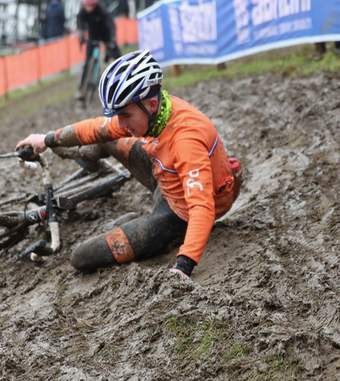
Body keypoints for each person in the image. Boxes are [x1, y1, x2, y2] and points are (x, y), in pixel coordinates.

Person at [16, 50, 243, 278]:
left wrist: (183, 266)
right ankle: (92, 163)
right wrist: (46, 139)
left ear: (151, 105)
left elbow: (202, 208)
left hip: (181, 212)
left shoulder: (186, 139)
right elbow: (99, 126)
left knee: (81, 257)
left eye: (125, 115)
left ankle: (145, 224)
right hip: (165, 171)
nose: (121, 123)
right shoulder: (154, 111)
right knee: (107, 136)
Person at [76, 0, 122, 97]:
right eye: (88, 6)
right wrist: (82, 36)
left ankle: (123, 79)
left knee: (118, 57)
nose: (90, 8)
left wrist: (112, 39)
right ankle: (81, 88)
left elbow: (111, 25)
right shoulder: (82, 12)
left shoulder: (102, 10)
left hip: (106, 35)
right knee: (87, 62)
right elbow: (80, 25)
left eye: (92, 5)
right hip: (93, 36)